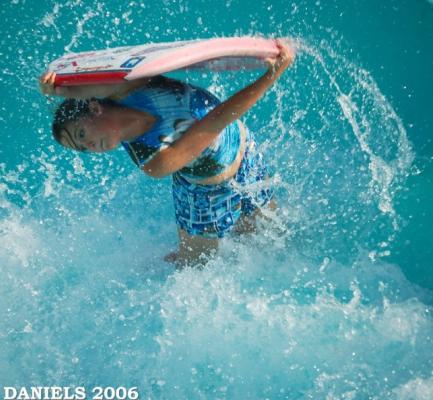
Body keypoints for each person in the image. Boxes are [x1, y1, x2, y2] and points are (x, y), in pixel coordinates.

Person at [39, 40, 294, 266]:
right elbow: (220, 118)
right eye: (83, 149)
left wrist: (57, 89)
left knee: (271, 240)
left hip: (245, 151)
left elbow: (94, 86)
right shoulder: (153, 159)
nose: (91, 147)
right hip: (203, 194)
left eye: (82, 135)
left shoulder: (127, 89)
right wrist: (272, 75)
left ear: (94, 108)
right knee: (195, 269)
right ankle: (149, 266)